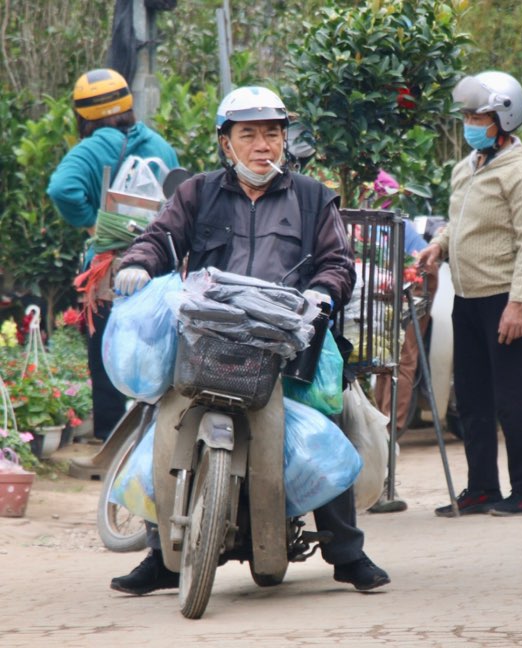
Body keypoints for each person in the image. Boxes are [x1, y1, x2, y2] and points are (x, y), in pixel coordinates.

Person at [108, 86, 389, 595]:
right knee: (163, 423)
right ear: (226, 143)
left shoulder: (311, 198)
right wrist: (136, 266)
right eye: (249, 135)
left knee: (322, 425)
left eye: (273, 134)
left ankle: (346, 552)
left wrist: (324, 293)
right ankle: (161, 554)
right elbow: (160, 239)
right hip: (208, 339)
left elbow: (337, 262)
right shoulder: (196, 193)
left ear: (285, 140)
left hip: (284, 342)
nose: (263, 146)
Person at [416, 70, 522, 517]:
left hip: (503, 299)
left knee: (513, 400)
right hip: (466, 298)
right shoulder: (466, 167)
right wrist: (438, 246)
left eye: (479, 116)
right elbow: (459, 222)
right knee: (471, 397)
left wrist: (518, 303)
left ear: (505, 119)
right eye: (468, 115)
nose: (470, 122)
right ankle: (481, 488)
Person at [47, 68, 179, 442]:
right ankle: (153, 432)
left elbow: (62, 188)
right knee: (153, 346)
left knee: (106, 346)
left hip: (109, 269)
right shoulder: (159, 145)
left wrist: (94, 225)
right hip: (157, 265)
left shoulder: (91, 148)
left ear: (83, 114)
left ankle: (108, 433)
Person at [370, 214, 439, 514]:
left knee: (400, 363)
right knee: (392, 365)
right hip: (379, 294)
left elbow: (425, 270)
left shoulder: (396, 226)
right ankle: (381, 444)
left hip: (406, 290)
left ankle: (386, 445)